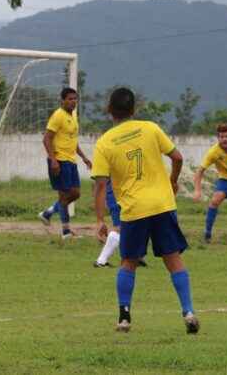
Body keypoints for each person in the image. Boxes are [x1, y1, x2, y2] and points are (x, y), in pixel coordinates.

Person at [91, 87, 198, 334]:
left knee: (128, 262)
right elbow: (178, 157)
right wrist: (172, 180)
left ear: (109, 110)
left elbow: (99, 186)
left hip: (133, 209)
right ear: (134, 109)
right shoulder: (150, 128)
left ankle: (124, 317)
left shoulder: (105, 142)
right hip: (162, 205)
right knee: (173, 259)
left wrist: (99, 220)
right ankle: (188, 311)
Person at [38, 88, 91, 238]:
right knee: (65, 195)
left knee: (75, 194)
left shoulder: (73, 115)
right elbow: (46, 138)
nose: (73, 102)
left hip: (71, 160)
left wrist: (84, 157)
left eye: (75, 99)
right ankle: (66, 231)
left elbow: (73, 140)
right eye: (70, 99)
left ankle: (48, 213)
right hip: (60, 160)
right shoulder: (58, 116)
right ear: (62, 100)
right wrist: (53, 160)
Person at [93, 180, 146, 268]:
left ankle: (136, 257)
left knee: (135, 224)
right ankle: (101, 261)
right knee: (120, 227)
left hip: (130, 191)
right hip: (117, 192)